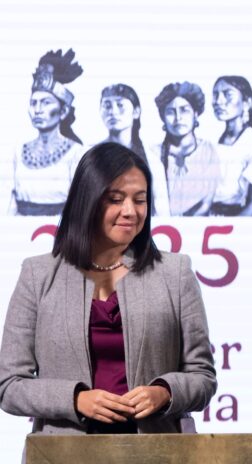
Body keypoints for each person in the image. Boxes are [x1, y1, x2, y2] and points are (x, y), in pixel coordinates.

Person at [0, 142, 217, 434]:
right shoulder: (37, 274)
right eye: (115, 199)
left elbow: (202, 376)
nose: (130, 211)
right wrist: (75, 399)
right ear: (87, 200)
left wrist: (165, 392)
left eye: (139, 200)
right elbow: (9, 385)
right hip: (65, 453)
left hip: (157, 450)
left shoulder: (175, 273)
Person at [9, 48, 84, 215]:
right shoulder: (18, 151)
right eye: (33, 103)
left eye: (45, 102)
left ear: (63, 111)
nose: (38, 110)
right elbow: (9, 205)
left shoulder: (77, 154)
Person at [211, 76, 252, 216]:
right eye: (216, 95)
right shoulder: (217, 141)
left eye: (227, 95)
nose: (219, 101)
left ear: (247, 102)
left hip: (236, 223)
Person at [99, 83, 169, 216]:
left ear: (136, 112)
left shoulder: (151, 161)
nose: (113, 112)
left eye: (120, 106)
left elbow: (162, 212)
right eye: (107, 105)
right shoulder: (91, 156)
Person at [153, 81, 219, 216]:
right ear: (163, 118)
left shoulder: (208, 151)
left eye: (184, 110)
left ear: (195, 114)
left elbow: (206, 202)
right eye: (171, 112)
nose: (178, 118)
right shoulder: (153, 153)